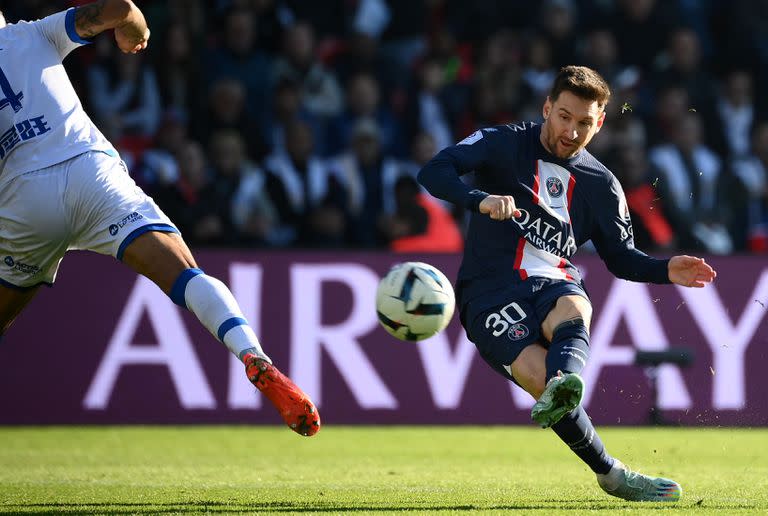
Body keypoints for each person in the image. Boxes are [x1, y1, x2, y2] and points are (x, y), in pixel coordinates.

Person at [0, 0, 319, 437]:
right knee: (187, 275)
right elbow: (122, 8)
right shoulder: (32, 34)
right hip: (90, 173)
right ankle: (253, 357)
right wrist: (134, 32)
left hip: (24, 201)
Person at [418, 65, 716, 502]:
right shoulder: (503, 142)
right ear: (547, 109)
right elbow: (434, 171)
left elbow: (620, 259)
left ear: (599, 123)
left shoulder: (601, 185)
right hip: (488, 293)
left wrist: (663, 270)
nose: (571, 131)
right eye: (563, 116)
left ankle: (566, 382)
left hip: (554, 279)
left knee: (575, 309)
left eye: (583, 122)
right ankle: (610, 473)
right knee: (540, 380)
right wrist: (478, 200)